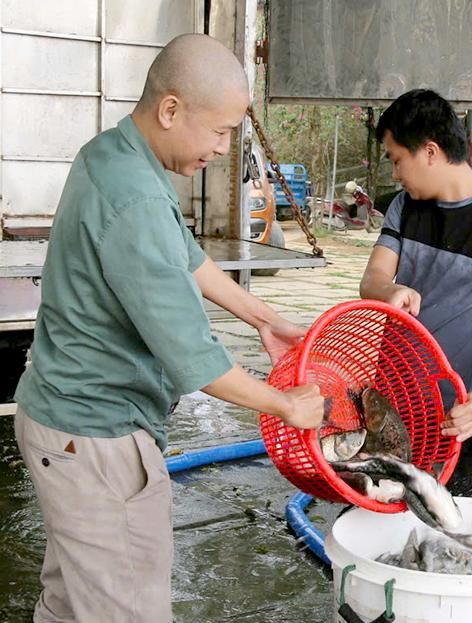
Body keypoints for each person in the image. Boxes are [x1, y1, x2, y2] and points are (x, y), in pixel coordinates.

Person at [13, 34, 324, 623]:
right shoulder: (137, 199)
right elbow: (198, 361)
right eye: (219, 130)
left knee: (69, 603)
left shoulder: (111, 154)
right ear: (171, 108)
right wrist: (287, 405)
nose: (224, 147)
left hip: (62, 425)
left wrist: (267, 320)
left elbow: (186, 256)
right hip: (98, 438)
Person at [360, 89, 472, 496]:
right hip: (390, 405)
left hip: (455, 416)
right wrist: (389, 289)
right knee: (373, 525)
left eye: (396, 160)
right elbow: (371, 278)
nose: (395, 174)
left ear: (429, 151)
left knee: (444, 534)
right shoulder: (405, 208)